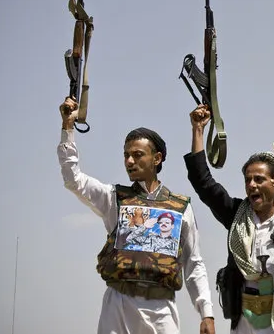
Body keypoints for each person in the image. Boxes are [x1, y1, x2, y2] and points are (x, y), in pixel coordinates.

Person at [57, 97, 215, 334]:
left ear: (157, 158)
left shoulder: (180, 207)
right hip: (118, 307)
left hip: (162, 311)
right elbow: (73, 179)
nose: (129, 161)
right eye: (126, 155)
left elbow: (194, 263)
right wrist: (68, 127)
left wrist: (206, 313)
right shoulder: (114, 198)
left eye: (138, 154)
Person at [184, 104, 274, 334]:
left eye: (259, 179)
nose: (252, 184)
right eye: (248, 179)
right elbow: (204, 184)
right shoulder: (236, 215)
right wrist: (198, 131)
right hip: (245, 323)